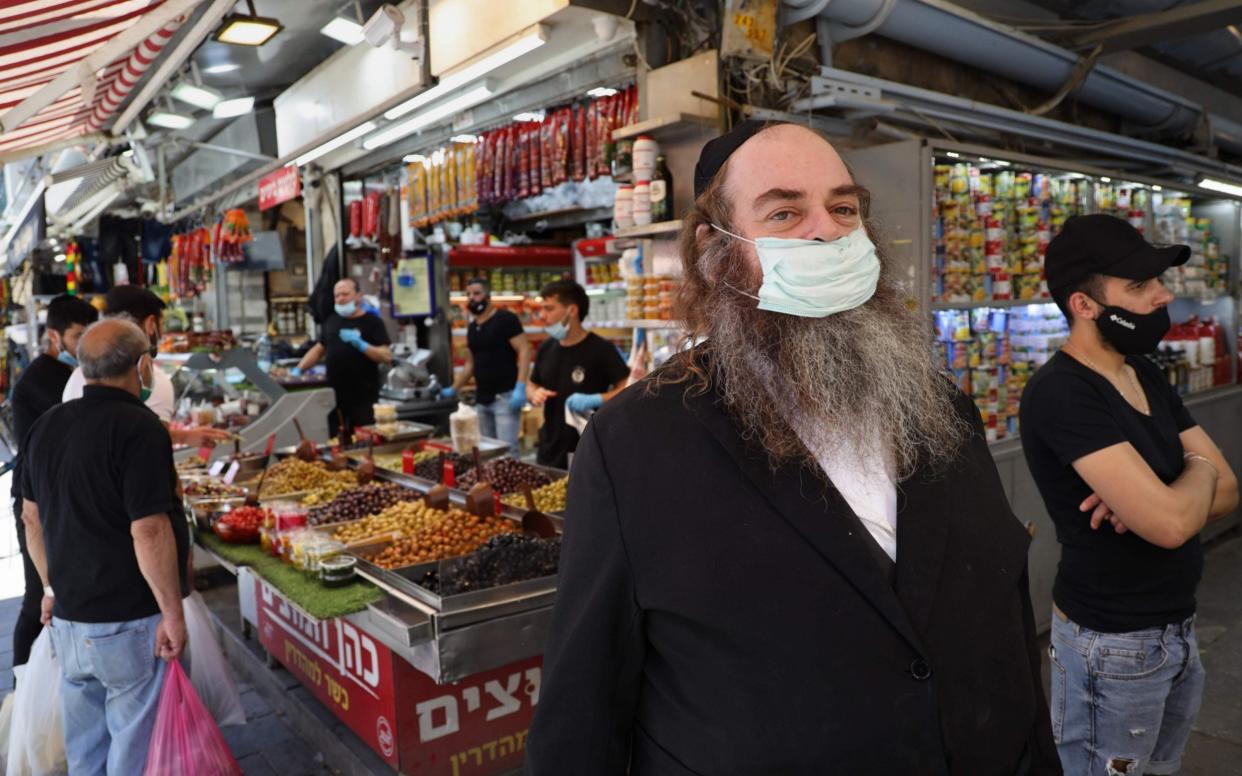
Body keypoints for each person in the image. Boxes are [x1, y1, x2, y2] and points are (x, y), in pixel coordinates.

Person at [527, 121, 1060, 774]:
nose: (826, 230)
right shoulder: (635, 446)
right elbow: (581, 720)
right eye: (785, 211)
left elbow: (1007, 625)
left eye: (843, 208)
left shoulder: (942, 411)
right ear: (714, 249)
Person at [1020, 214, 1238, 776]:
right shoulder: (1062, 393)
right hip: (1112, 647)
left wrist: (1173, 488)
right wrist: (1188, 475)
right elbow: (1171, 524)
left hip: (1176, 631)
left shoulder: (1143, 371)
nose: (1163, 296)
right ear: (1085, 305)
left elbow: (1228, 487)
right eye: (1139, 287)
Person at [21, 318, 190, 775]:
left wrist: (51, 588)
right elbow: (150, 529)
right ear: (144, 365)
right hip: (129, 622)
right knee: (134, 750)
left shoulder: (45, 427)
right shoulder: (141, 428)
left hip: (70, 621)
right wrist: (172, 613)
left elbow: (30, 518)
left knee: (88, 753)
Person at [9, 294, 98, 667]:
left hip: (63, 500)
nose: (85, 343)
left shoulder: (77, 371)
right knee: (37, 598)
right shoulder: (40, 381)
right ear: (54, 336)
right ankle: (20, 685)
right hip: (38, 504)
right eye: (78, 335)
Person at [63, 285, 230, 447]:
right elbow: (153, 446)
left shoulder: (77, 376)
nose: (162, 334)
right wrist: (184, 437)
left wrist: (183, 437)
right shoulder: (149, 379)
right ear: (151, 324)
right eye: (161, 324)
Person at [526, 279, 629, 469]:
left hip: (589, 446)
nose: (542, 315)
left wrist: (599, 398)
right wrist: (534, 393)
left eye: (549, 309)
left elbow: (627, 387)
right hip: (550, 446)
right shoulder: (546, 348)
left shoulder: (601, 349)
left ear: (571, 311)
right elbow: (532, 384)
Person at [296, 278, 392, 438]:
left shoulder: (372, 322)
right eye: (337, 295)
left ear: (358, 296)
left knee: (364, 439)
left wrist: (361, 345)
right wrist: (298, 369)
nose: (340, 299)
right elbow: (319, 349)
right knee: (337, 439)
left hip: (363, 397)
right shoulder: (331, 321)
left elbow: (386, 356)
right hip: (334, 397)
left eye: (345, 294)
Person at [443, 278, 532, 450]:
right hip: (482, 398)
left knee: (506, 450)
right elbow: (470, 363)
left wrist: (521, 386)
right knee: (486, 450)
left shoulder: (506, 319)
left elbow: (524, 350)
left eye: (477, 293)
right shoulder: (472, 327)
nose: (472, 298)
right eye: (468, 294)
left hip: (505, 397)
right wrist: (454, 388)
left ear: (488, 296)